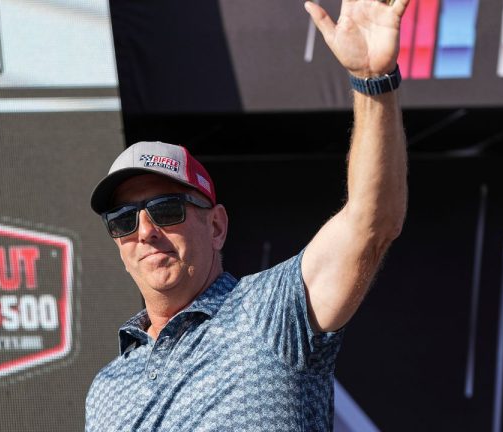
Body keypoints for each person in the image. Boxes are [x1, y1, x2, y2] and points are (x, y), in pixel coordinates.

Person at [85, 0, 409, 430]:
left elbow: (372, 223)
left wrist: (372, 84)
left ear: (216, 225)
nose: (145, 231)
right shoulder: (107, 387)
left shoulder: (269, 313)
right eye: (124, 220)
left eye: (166, 210)